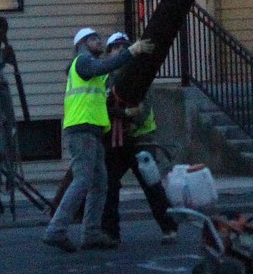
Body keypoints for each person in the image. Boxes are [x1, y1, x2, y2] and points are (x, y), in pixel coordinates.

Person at [44, 26, 154, 253]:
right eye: (94, 38)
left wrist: (124, 113)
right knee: (83, 180)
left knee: (99, 183)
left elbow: (106, 91)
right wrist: (131, 51)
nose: (99, 41)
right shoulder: (83, 62)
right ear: (82, 44)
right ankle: (56, 230)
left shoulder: (93, 72)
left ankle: (91, 233)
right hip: (81, 130)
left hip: (91, 131)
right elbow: (106, 65)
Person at [101, 31, 179, 241]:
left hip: (140, 138)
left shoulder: (139, 76)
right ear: (109, 53)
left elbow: (143, 110)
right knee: (109, 185)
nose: (119, 50)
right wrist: (122, 115)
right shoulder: (103, 80)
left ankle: (169, 227)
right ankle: (110, 232)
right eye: (115, 47)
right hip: (114, 141)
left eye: (123, 46)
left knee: (150, 183)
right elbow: (100, 109)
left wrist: (128, 121)